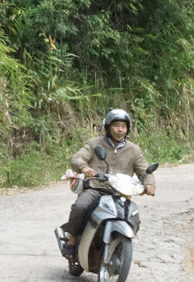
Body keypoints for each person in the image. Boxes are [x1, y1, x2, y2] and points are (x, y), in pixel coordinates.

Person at [59, 109, 156, 258]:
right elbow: (76, 158)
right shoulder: (94, 143)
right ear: (108, 127)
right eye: (116, 125)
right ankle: (72, 240)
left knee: (133, 217)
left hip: (120, 193)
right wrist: (84, 167)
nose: (120, 130)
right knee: (81, 206)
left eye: (123, 126)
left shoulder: (134, 150)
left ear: (128, 129)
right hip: (96, 188)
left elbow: (144, 171)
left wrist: (149, 185)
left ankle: (120, 246)